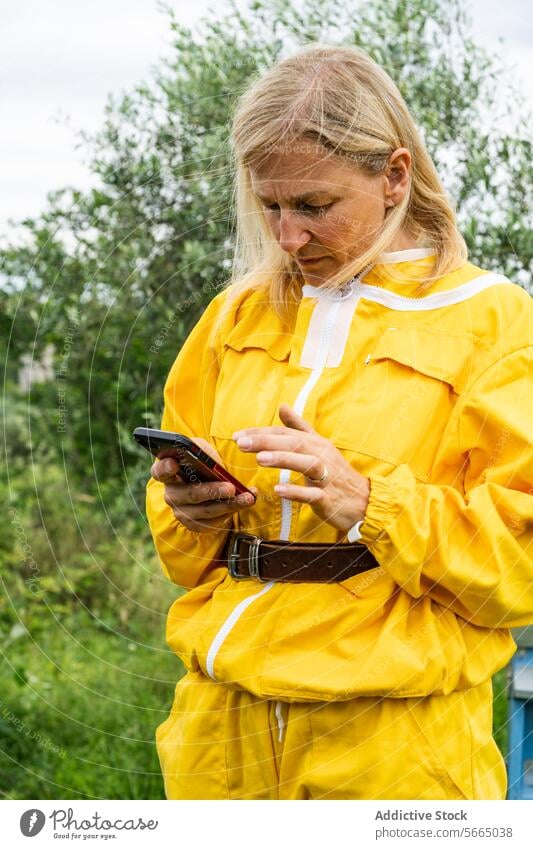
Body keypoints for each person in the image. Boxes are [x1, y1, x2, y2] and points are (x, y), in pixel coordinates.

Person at [145, 43, 533, 800]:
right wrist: (187, 507)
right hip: (219, 736)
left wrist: (370, 503)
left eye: (313, 206)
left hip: (395, 747)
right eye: (270, 206)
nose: (286, 237)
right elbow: (183, 557)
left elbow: (519, 565)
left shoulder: (495, 324)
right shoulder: (233, 317)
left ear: (393, 176)